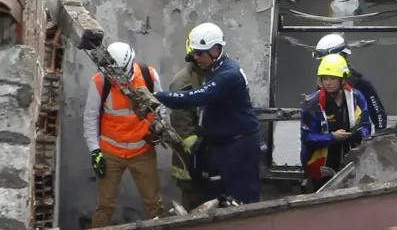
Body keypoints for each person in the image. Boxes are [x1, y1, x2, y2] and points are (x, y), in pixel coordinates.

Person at [152, 23, 262, 205]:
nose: (196, 58)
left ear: (215, 50)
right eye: (194, 54)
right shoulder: (216, 69)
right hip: (225, 145)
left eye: (199, 53)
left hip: (239, 145)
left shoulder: (228, 74)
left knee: (242, 200)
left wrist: (158, 96)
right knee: (221, 198)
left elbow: (199, 96)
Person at [83, 42, 165, 228]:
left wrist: (159, 128)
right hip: (111, 152)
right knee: (105, 206)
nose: (118, 80)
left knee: (154, 204)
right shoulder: (100, 81)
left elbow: (161, 108)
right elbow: (90, 118)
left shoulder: (149, 76)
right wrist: (95, 151)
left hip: (142, 150)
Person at [300, 53, 372, 191]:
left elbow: (366, 127)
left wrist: (358, 134)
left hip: (350, 160)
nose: (328, 83)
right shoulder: (312, 104)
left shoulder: (356, 98)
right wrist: (332, 137)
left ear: (343, 79)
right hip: (321, 164)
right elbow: (307, 137)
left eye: (332, 78)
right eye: (325, 78)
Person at [168, 27, 210, 211]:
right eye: (198, 54)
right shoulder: (183, 83)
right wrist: (201, 153)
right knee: (194, 211)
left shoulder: (218, 75)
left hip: (214, 164)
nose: (201, 58)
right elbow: (182, 126)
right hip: (190, 166)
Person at [314, 33, 388, 132]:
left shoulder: (360, 83)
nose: (328, 82)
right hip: (329, 138)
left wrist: (379, 137)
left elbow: (378, 113)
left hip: (355, 138)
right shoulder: (322, 85)